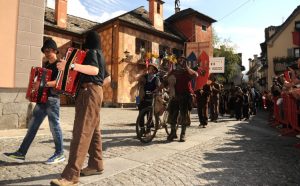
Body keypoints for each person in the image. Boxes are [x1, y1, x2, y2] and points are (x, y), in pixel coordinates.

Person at [50, 31, 110, 186]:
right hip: (95, 92)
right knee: (94, 131)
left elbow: (95, 71)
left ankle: (70, 176)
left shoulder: (91, 52)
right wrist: (97, 86)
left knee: (81, 132)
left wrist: (71, 65)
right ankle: (96, 165)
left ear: (88, 41)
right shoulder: (101, 55)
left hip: (88, 93)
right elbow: (107, 78)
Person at [3, 39, 65, 164]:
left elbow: (60, 83)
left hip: (52, 100)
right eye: (44, 51)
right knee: (32, 127)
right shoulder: (46, 66)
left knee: (55, 127)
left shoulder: (60, 64)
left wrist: (43, 83)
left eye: (49, 50)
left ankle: (60, 154)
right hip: (42, 100)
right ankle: (21, 153)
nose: (46, 53)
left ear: (55, 50)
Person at [167, 56, 198, 142]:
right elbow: (165, 81)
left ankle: (182, 134)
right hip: (175, 96)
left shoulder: (187, 72)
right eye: (180, 60)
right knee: (172, 115)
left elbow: (196, 75)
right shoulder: (173, 72)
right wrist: (158, 89)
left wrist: (187, 67)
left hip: (185, 96)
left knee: (184, 116)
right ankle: (173, 133)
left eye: (183, 61)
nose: (181, 62)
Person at [137, 63, 160, 135]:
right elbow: (139, 84)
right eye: (149, 68)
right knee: (141, 114)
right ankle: (142, 129)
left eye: (152, 69)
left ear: (154, 71)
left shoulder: (156, 78)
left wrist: (155, 91)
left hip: (151, 98)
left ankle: (148, 129)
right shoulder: (144, 76)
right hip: (143, 97)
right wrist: (140, 79)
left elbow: (158, 87)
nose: (150, 70)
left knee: (149, 115)